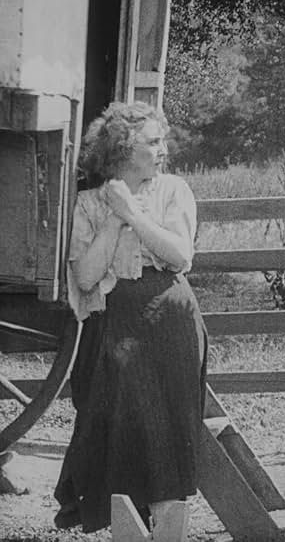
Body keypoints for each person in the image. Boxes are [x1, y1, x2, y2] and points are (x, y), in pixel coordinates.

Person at [54, 101, 207, 534]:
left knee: (170, 437)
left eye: (162, 141)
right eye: (153, 142)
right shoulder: (88, 202)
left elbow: (179, 255)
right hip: (114, 325)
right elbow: (85, 277)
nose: (163, 150)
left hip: (170, 319)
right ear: (123, 149)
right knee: (120, 435)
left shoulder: (174, 190)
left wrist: (134, 214)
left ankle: (169, 534)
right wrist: (114, 218)